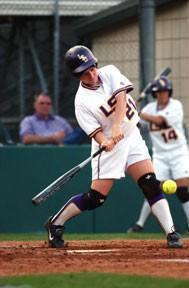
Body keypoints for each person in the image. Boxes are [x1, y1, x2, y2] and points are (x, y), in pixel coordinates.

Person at [44, 45, 183, 249]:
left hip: (131, 135)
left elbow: (121, 97)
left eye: (92, 67)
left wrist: (117, 125)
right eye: (85, 72)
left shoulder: (109, 72)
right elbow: (95, 132)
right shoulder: (81, 101)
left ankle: (171, 233)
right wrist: (105, 141)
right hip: (111, 144)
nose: (91, 74)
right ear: (77, 76)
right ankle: (56, 222)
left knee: (150, 183)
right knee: (96, 199)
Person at [128, 76, 189, 233]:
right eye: (159, 92)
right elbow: (135, 123)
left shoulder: (176, 105)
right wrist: (131, 111)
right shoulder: (149, 108)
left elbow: (161, 121)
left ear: (169, 92)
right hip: (160, 155)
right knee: (152, 188)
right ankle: (139, 224)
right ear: (155, 94)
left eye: (165, 91)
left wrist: (138, 112)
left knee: (183, 191)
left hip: (178, 152)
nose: (162, 95)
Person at [19, 92, 86, 145]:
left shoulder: (60, 121)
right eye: (42, 103)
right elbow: (26, 139)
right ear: (35, 105)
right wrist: (52, 138)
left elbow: (72, 137)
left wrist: (63, 137)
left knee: (81, 131)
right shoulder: (28, 121)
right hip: (37, 155)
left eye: (48, 104)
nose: (45, 106)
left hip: (61, 153)